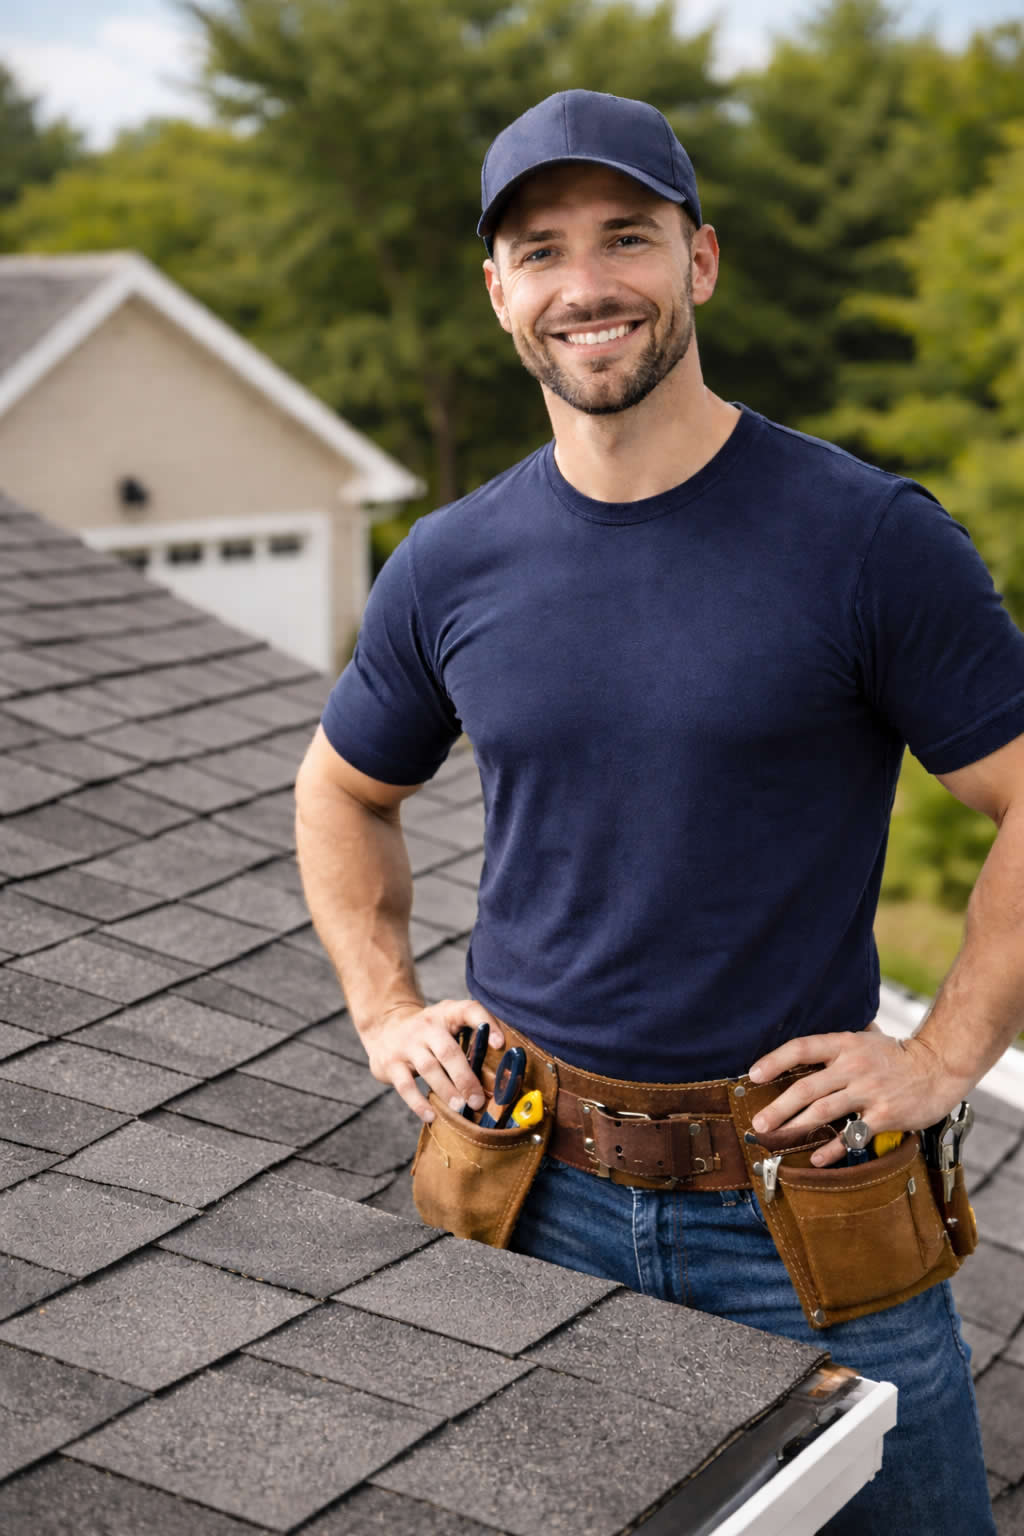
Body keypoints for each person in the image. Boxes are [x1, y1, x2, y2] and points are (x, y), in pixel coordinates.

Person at [295, 90, 1024, 1533]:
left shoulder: (866, 540)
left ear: (700, 261)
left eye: (627, 236)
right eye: (542, 249)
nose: (588, 285)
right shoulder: (451, 562)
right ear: (501, 293)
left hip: (801, 1203)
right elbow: (343, 788)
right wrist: (385, 1010)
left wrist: (946, 1052)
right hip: (519, 1185)